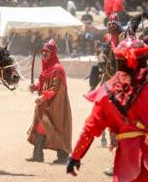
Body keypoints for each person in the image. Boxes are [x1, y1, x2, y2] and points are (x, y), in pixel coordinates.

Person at [67, 36, 148, 181]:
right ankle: (92, 82)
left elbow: (89, 129)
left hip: (127, 163)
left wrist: (75, 156)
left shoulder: (106, 93)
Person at [26, 36, 72, 164]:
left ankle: (63, 156)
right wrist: (35, 87)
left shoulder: (58, 68)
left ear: (52, 53)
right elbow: (43, 84)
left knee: (57, 127)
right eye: (43, 51)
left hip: (55, 105)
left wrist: (43, 96)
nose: (44, 53)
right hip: (45, 103)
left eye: (47, 51)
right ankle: (37, 155)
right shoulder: (46, 67)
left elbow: (54, 89)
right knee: (41, 126)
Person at [88, 14, 126, 91]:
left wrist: (113, 50)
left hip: (118, 59)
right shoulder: (106, 36)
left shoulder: (122, 35)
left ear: (118, 25)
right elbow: (102, 48)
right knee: (95, 67)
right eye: (110, 24)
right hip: (107, 59)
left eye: (114, 23)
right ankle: (92, 87)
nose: (111, 25)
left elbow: (123, 47)